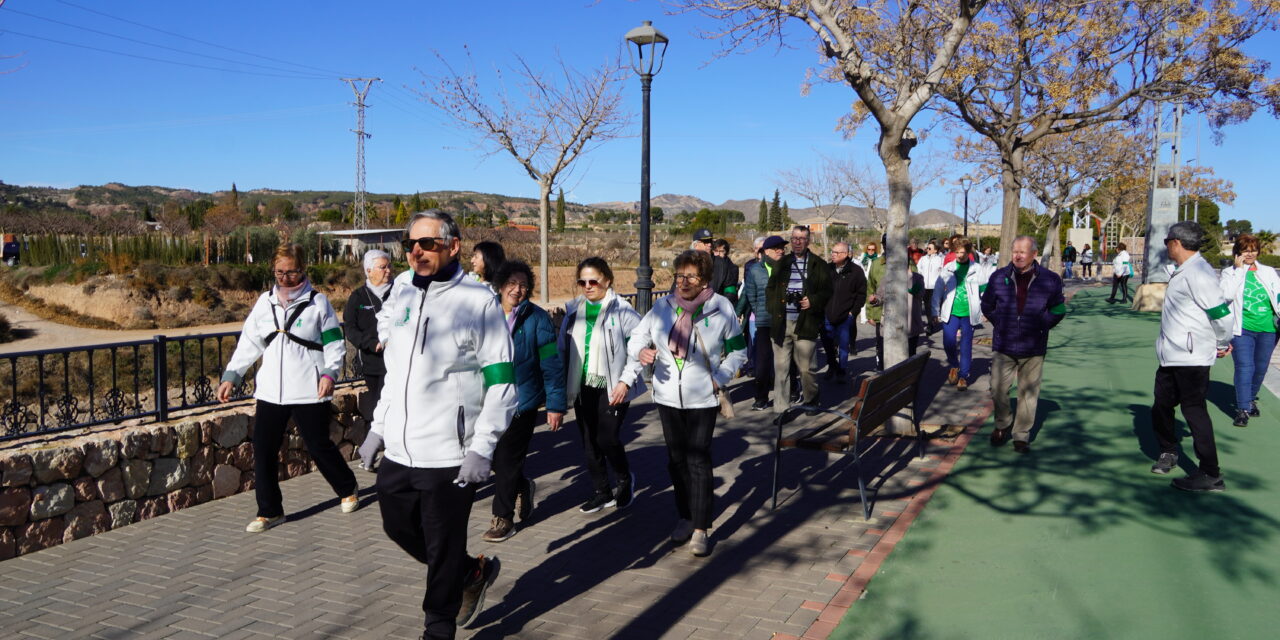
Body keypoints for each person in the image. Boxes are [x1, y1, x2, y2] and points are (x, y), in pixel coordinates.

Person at [370, 210, 516, 637]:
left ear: (453, 247)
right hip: (400, 446)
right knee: (397, 525)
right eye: (409, 244)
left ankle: (438, 625)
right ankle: (471, 572)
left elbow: (502, 382)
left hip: (450, 452)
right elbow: (397, 372)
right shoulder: (400, 290)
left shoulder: (478, 301)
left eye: (427, 243)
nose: (417, 251)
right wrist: (379, 426)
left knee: (442, 542)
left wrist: (482, 446)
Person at [216, 243, 359, 532]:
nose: (284, 278)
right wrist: (232, 375)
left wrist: (330, 374)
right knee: (264, 449)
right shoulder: (264, 303)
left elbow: (333, 343)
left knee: (318, 445)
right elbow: (250, 342)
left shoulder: (318, 303)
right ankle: (269, 511)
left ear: (303, 269)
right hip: (271, 390)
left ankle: (347, 487)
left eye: (291, 272)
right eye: (279, 272)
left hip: (309, 387)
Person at [628, 250, 747, 557]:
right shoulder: (662, 307)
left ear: (705, 279)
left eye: (691, 276)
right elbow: (636, 337)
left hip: (702, 398)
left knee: (698, 461)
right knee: (675, 460)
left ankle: (701, 528)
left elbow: (738, 351)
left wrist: (718, 378)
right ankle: (684, 516)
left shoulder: (721, 309)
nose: (683, 282)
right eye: (679, 276)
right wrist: (641, 351)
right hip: (667, 396)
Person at [483, 260, 567, 542]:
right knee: (491, 457)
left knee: (507, 459)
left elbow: (551, 365)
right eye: (511, 283)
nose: (517, 290)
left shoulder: (537, 319)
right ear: (501, 284)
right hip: (486, 400)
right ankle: (522, 485)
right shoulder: (485, 312)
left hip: (522, 401)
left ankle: (502, 518)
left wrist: (555, 405)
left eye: (523, 285)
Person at [1148, 221, 1234, 491]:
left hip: (1191, 357)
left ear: (1176, 242)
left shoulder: (1198, 273)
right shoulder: (1186, 270)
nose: (1166, 247)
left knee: (1194, 412)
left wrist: (1222, 342)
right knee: (1161, 405)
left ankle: (1210, 473)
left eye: (1167, 242)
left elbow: (1221, 313)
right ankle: (1168, 450)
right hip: (1172, 355)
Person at [558, 257, 644, 513]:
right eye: (582, 281)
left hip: (613, 385)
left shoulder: (623, 311)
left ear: (607, 280)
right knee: (589, 442)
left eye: (593, 280)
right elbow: (564, 347)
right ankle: (602, 491)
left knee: (607, 438)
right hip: (582, 385)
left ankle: (624, 479)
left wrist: (625, 381)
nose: (587, 285)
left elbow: (638, 348)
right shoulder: (573, 311)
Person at [980, 236, 1066, 454]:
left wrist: (1041, 325)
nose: (1017, 256)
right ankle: (1002, 423)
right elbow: (986, 304)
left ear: (1034, 254)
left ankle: (1021, 435)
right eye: (1014, 251)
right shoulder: (999, 277)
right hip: (1004, 344)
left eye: (1022, 252)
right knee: (998, 388)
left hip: (1034, 347)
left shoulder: (1050, 279)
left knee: (1028, 393)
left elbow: (1058, 310)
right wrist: (999, 322)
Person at [767, 226, 833, 415]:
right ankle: (781, 409)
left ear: (808, 241)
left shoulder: (819, 265)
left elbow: (828, 291)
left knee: (807, 369)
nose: (797, 242)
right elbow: (770, 289)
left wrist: (812, 301)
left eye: (801, 238)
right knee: (781, 369)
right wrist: (774, 309)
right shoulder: (782, 263)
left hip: (805, 322)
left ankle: (811, 400)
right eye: (794, 238)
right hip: (782, 322)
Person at [1219, 233, 1280, 427]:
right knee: (1245, 367)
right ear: (1237, 252)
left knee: (1261, 368)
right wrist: (1238, 271)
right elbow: (1226, 295)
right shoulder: (1229, 273)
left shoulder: (1269, 271)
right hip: (1241, 329)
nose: (1250, 254)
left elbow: (1278, 296)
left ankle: (1251, 398)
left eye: (1253, 250)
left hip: (1268, 328)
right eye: (1245, 250)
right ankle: (1243, 409)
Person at [345, 249, 395, 470]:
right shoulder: (358, 297)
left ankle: (394, 456)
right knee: (378, 410)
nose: (388, 271)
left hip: (399, 362)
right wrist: (369, 343)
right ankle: (372, 454)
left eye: (389, 266)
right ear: (368, 270)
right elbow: (350, 329)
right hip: (373, 365)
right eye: (382, 267)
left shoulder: (400, 293)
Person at [737, 236, 786, 410]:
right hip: (764, 321)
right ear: (766, 251)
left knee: (784, 361)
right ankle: (761, 397)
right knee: (762, 361)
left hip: (785, 321)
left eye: (782, 247)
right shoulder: (755, 270)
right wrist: (759, 311)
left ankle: (786, 396)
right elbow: (750, 294)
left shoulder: (788, 267)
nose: (780, 250)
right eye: (776, 248)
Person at [932, 238, 987, 390]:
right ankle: (954, 365)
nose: (960, 255)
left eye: (963, 252)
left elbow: (985, 290)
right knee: (948, 342)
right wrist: (934, 311)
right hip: (951, 312)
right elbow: (937, 290)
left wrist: (986, 310)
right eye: (957, 252)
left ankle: (963, 375)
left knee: (965, 345)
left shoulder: (977, 268)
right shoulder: (948, 268)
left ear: (968, 252)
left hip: (970, 313)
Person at [865, 247, 925, 370]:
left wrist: (908, 277)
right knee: (888, 355)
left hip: (910, 323)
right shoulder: (887, 279)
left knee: (910, 354)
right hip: (890, 323)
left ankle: (909, 383)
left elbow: (920, 294)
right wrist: (875, 300)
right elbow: (880, 297)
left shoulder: (917, 278)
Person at [820, 242, 867, 381]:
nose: (833, 255)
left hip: (846, 316)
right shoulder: (827, 269)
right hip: (827, 315)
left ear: (845, 254)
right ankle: (832, 365)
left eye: (836, 252)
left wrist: (853, 312)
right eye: (832, 251)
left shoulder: (856, 271)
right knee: (827, 343)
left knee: (844, 345)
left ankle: (841, 370)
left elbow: (861, 294)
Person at [693, 228, 739, 306]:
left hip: (714, 312)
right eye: (705, 242)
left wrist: (719, 308)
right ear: (696, 245)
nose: (710, 244)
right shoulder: (686, 263)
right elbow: (676, 290)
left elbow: (730, 292)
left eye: (710, 241)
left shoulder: (723, 264)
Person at [917, 240, 945, 331]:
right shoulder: (923, 259)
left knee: (933, 305)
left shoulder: (940, 259)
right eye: (927, 248)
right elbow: (918, 270)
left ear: (935, 250)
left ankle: (932, 322)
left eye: (929, 248)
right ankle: (931, 323)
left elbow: (943, 272)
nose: (927, 249)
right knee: (927, 306)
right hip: (924, 286)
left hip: (935, 287)